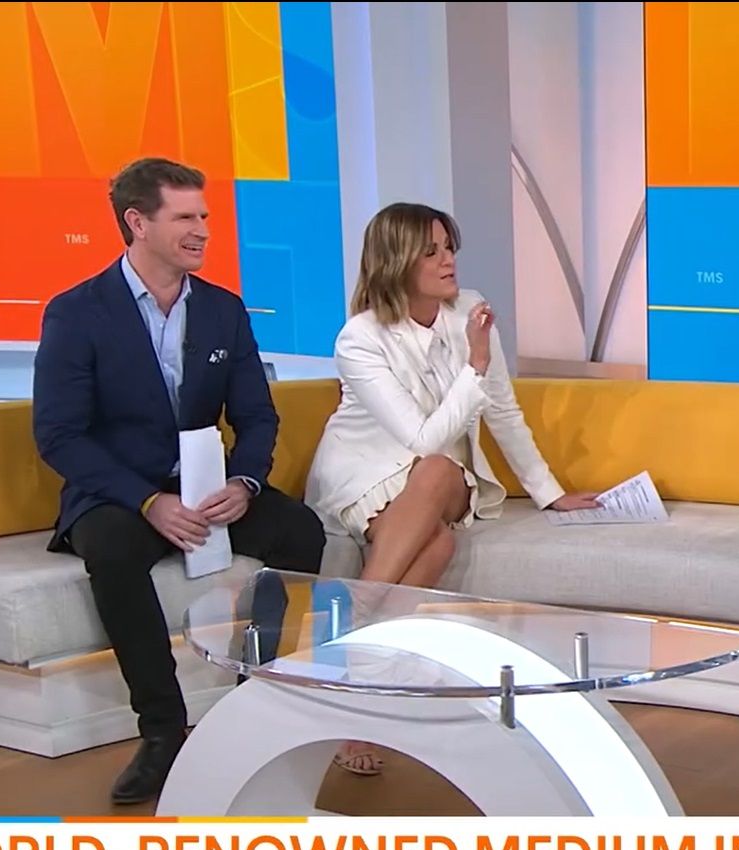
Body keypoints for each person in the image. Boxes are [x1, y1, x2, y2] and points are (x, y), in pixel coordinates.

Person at [33, 158, 326, 804]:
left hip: (207, 487)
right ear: (137, 223)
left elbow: (256, 416)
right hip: (118, 493)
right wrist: (147, 501)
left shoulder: (222, 310)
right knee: (112, 550)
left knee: (300, 531)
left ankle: (256, 701)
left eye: (205, 216)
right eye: (185, 217)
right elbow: (58, 434)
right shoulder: (77, 313)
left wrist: (244, 483)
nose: (203, 231)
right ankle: (163, 729)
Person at [306, 202, 600, 775]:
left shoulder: (469, 309)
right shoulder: (359, 338)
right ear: (396, 261)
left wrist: (549, 492)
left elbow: (503, 411)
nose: (449, 261)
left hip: (441, 476)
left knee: (440, 472)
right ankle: (363, 699)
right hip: (367, 468)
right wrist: (476, 363)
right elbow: (420, 438)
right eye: (432, 251)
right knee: (437, 542)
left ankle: (347, 639)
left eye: (449, 247)